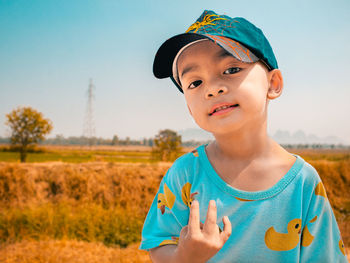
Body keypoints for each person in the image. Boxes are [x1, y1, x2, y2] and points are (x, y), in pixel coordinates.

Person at [139, 9, 348, 262]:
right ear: (188, 106)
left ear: (273, 83)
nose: (213, 88)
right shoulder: (185, 173)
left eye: (231, 69)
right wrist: (185, 256)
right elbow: (158, 244)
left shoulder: (303, 183)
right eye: (195, 83)